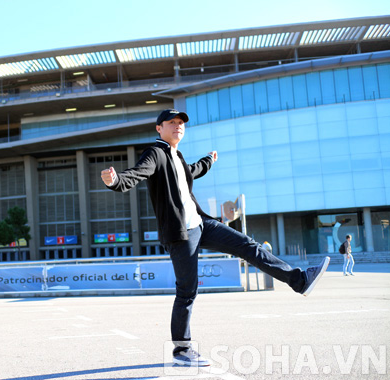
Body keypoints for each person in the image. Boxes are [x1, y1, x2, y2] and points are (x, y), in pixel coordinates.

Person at [100, 108, 331, 367]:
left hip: (202, 224)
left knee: (247, 245)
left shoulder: (176, 155)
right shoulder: (155, 153)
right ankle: (181, 350)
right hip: (181, 233)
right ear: (159, 128)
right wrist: (116, 180)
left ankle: (299, 280)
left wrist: (209, 160)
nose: (178, 126)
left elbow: (192, 170)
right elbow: (139, 172)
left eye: (181, 123)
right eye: (172, 122)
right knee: (187, 291)